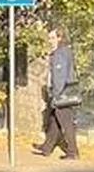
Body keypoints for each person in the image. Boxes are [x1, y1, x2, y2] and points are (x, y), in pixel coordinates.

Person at [33, 24, 81, 158]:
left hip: (62, 94)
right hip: (64, 92)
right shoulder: (65, 51)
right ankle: (47, 147)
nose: (50, 40)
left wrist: (55, 95)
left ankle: (72, 152)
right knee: (54, 120)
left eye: (52, 38)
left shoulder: (60, 54)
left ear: (60, 38)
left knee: (66, 123)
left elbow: (59, 77)